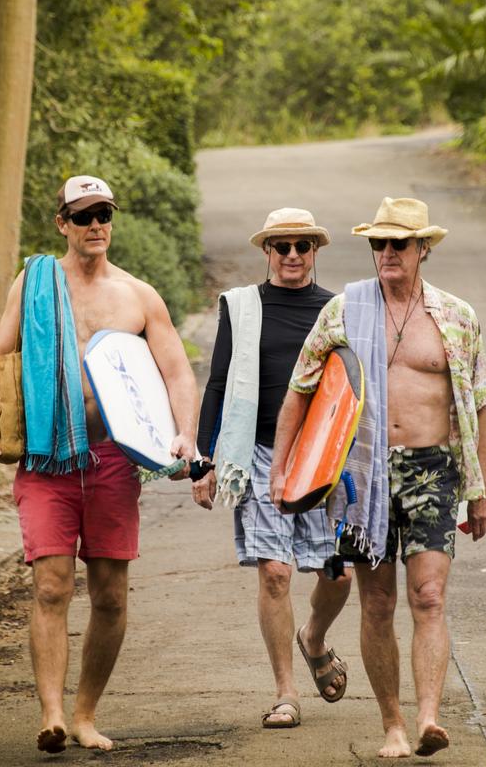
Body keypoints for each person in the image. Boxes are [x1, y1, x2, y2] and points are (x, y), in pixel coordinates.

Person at [0, 175, 199, 753]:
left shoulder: (138, 295)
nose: (96, 224)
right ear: (62, 224)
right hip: (48, 457)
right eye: (83, 215)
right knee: (51, 586)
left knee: (109, 596)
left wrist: (185, 436)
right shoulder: (37, 282)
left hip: (111, 460)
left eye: (104, 214)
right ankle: (50, 713)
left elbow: (176, 371)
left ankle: (85, 713)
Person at [270, 197, 486, 758]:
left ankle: (428, 719)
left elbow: (480, 405)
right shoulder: (345, 311)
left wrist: (482, 487)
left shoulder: (457, 317)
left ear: (423, 249)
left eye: (399, 243)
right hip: (362, 474)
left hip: (432, 469)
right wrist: (282, 470)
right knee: (376, 603)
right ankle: (392, 723)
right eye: (379, 243)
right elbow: (300, 392)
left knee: (430, 595)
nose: (388, 252)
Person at [190, 208, 352, 729]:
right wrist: (203, 459)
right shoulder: (241, 307)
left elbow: (356, 387)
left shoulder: (338, 310)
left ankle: (315, 638)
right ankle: (286, 693)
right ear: (266, 252)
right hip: (259, 452)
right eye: (280, 247)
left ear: (315, 252)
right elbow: (218, 382)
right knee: (276, 572)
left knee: (339, 574)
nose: (291, 256)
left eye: (301, 246)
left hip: (325, 456)